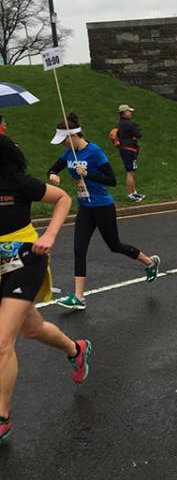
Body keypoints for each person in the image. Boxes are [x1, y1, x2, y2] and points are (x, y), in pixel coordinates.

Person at [0, 135, 92, 443]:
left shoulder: (18, 183)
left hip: (26, 258)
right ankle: (75, 349)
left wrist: (50, 235)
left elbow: (63, 198)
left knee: (2, 341)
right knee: (32, 328)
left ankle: (2, 418)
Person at [47, 113, 160, 311]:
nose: (63, 145)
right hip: (85, 207)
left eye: (64, 140)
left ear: (72, 136)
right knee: (79, 249)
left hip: (103, 207)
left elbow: (112, 181)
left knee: (114, 245)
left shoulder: (95, 152)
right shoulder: (68, 154)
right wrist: (53, 175)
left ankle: (149, 262)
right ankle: (79, 297)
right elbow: (52, 169)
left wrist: (88, 174)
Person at [116, 104, 144, 202]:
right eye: (129, 111)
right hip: (129, 149)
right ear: (124, 113)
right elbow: (139, 134)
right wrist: (135, 134)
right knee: (130, 172)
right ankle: (130, 194)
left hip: (125, 148)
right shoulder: (129, 124)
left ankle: (134, 192)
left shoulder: (120, 124)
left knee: (132, 171)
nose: (131, 113)